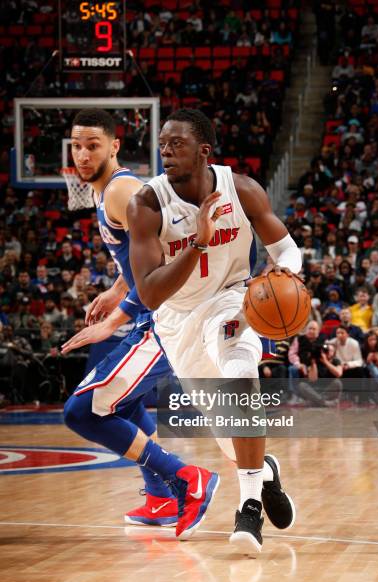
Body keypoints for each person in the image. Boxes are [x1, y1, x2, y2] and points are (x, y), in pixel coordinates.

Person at [127, 109, 301, 554]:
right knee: (230, 433)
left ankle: (248, 508)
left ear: (204, 151)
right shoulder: (146, 205)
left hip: (231, 300)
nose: (166, 150)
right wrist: (199, 243)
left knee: (241, 374)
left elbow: (287, 251)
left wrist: (282, 278)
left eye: (177, 143)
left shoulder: (241, 189)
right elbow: (148, 295)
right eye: (163, 143)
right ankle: (265, 473)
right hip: (177, 319)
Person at [61, 108, 219, 539]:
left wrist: (115, 318)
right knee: (124, 405)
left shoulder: (121, 191)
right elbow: (141, 252)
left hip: (168, 317)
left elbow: (166, 254)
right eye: (76, 145)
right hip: (161, 314)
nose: (82, 154)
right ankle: (162, 496)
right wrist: (117, 288)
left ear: (114, 146)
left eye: (93, 145)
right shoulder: (105, 193)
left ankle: (187, 477)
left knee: (82, 412)